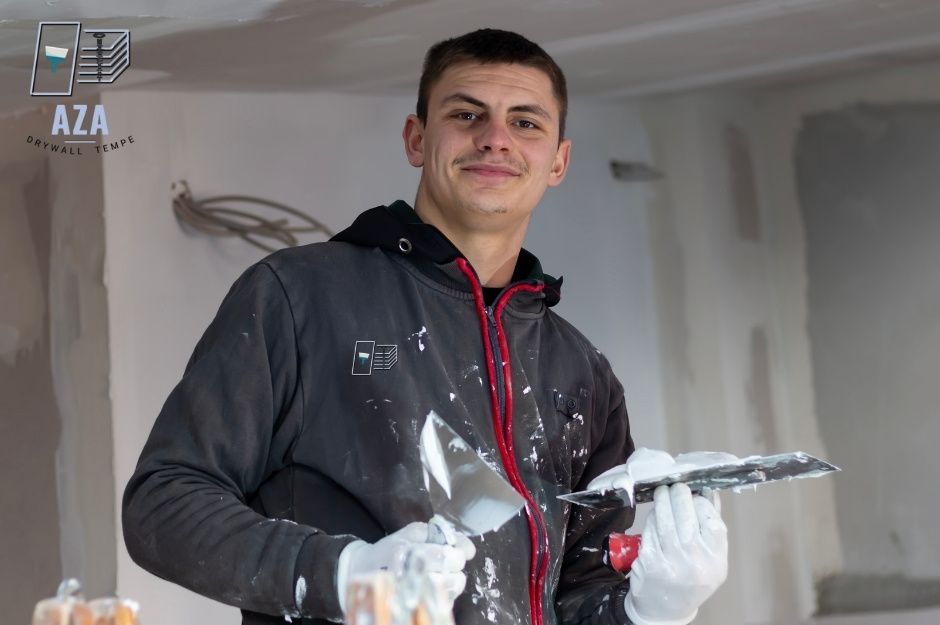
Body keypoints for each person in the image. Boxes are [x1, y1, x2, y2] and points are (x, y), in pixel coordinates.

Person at [123, 28, 727, 625]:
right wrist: (342, 574)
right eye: (467, 114)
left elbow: (580, 595)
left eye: (526, 123)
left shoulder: (580, 371)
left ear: (558, 160)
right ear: (416, 139)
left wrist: (649, 609)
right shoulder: (300, 296)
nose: (495, 139)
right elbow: (163, 504)